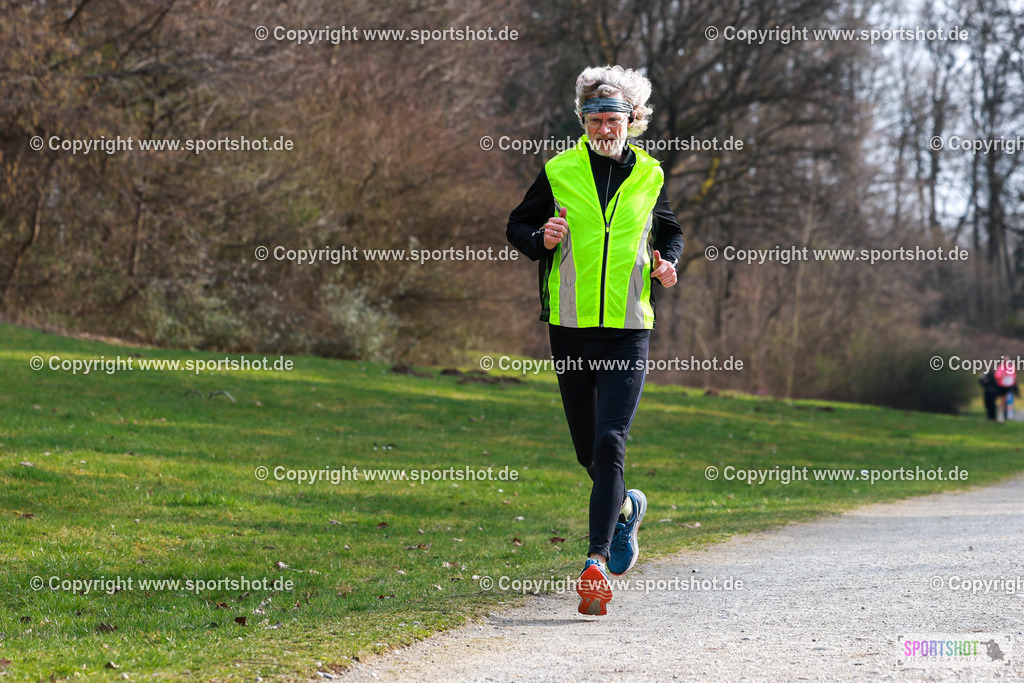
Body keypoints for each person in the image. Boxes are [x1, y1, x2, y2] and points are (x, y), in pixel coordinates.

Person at [506, 65, 684, 615]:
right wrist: (542, 237)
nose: (604, 128)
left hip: (629, 327)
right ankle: (627, 509)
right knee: (587, 448)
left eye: (613, 119)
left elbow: (671, 231)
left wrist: (668, 263)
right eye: (594, 119)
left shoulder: (650, 175)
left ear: (632, 120)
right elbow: (517, 226)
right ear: (583, 122)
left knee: (610, 441)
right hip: (571, 326)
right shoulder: (559, 170)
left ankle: (595, 563)